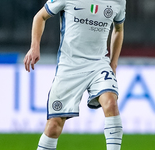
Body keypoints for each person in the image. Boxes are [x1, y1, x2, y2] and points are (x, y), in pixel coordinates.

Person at [24, 0, 126, 149]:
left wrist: (113, 64)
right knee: (53, 126)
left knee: (111, 103)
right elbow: (40, 17)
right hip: (69, 67)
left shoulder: (118, 2)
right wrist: (34, 47)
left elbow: (119, 29)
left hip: (98, 64)